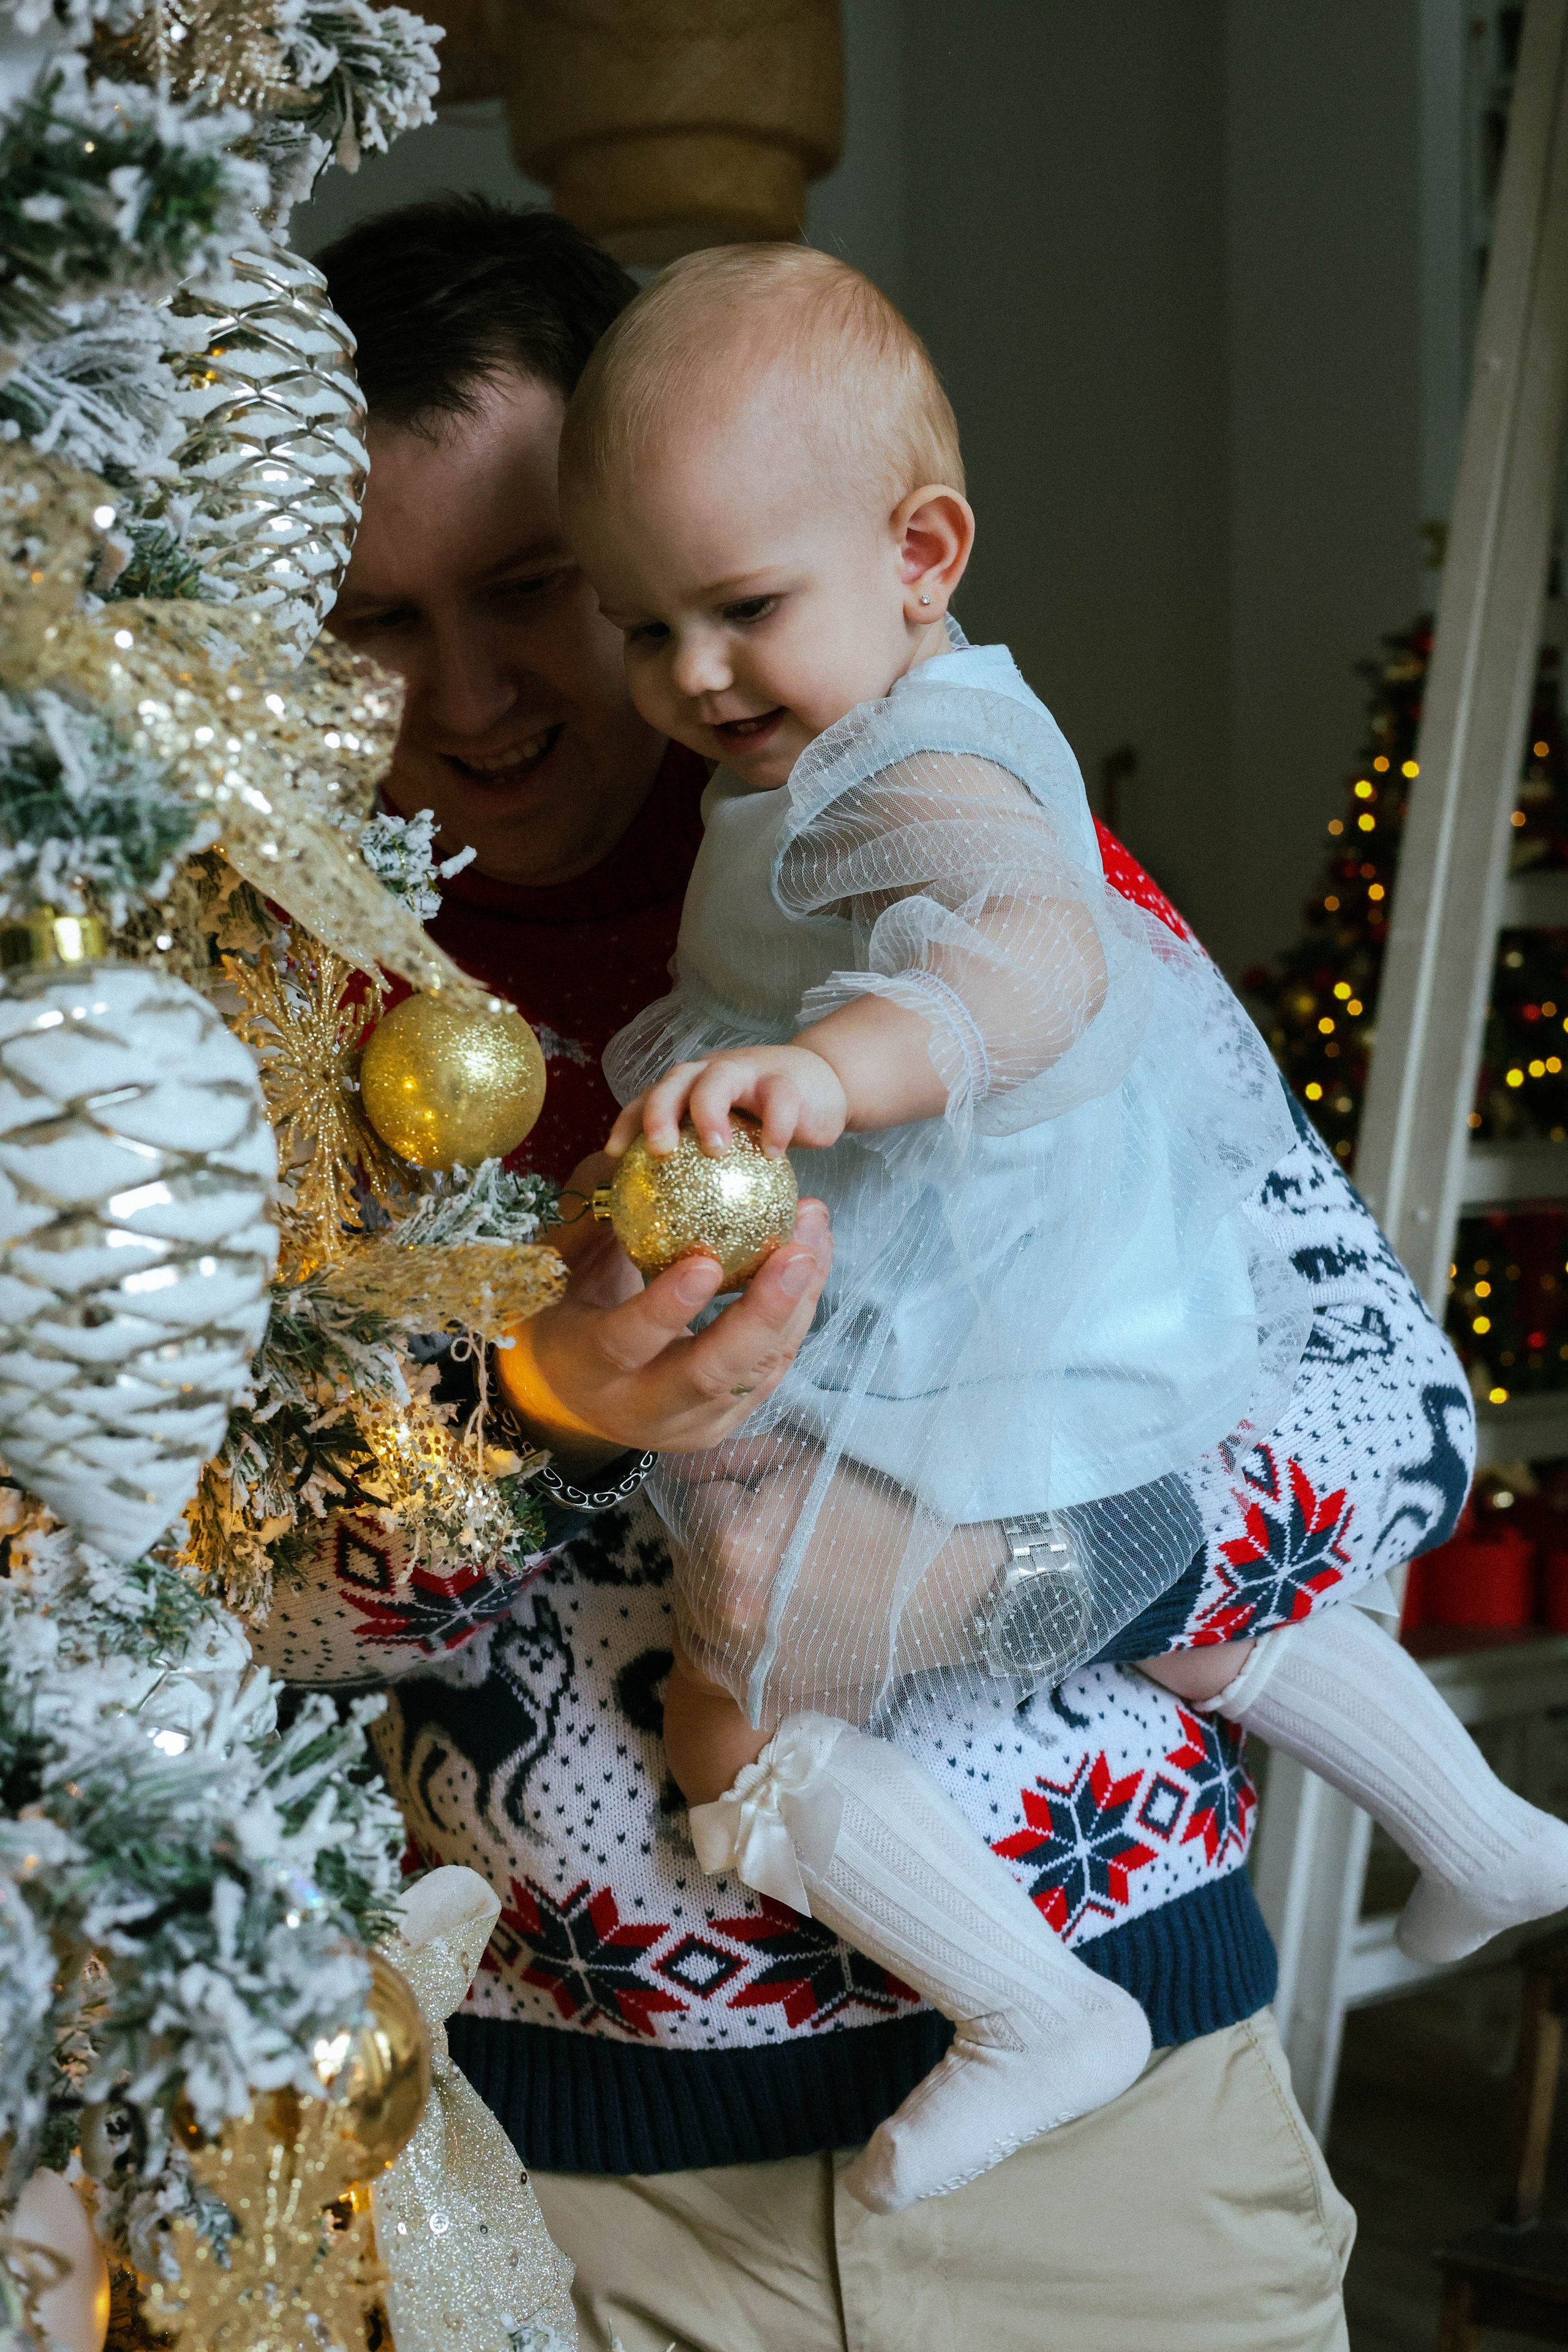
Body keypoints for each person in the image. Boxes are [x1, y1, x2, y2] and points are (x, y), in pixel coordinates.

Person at [256, 195, 1476, 2351]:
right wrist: (540, 1418)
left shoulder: (964, 882)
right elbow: (237, 1604)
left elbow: (1393, 1420)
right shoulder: (278, 1029)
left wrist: (969, 1585)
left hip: (1124, 2160)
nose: (467, 694)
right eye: (375, 618)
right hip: (585, 2199)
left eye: (537, 591)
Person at [553, 240, 1568, 2217]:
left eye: (744, 609)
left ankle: (1034, 2009)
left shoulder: (907, 766)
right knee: (1190, 1602)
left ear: (921, 552)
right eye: (641, 622)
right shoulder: (832, 730)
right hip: (1050, 1281)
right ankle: (1486, 1831)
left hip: (979, 1293)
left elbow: (1029, 955)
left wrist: (842, 1070)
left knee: (731, 1695)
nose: (690, 674)